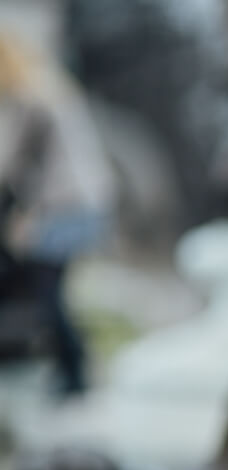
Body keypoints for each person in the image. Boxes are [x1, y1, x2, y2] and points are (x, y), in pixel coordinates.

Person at [0, 33, 114, 396]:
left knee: (46, 293)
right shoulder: (54, 91)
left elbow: (9, 161)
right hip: (88, 203)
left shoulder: (30, 100)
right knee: (51, 292)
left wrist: (27, 219)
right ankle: (72, 368)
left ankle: (74, 370)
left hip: (65, 208)